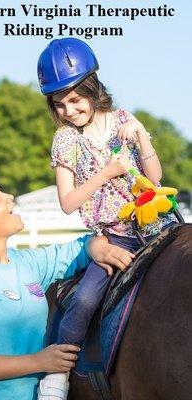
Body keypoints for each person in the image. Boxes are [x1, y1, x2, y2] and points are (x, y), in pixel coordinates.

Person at [37, 38, 175, 399]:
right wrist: (106, 173)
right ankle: (59, 375)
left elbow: (155, 177)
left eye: (75, 99)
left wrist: (143, 138)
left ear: (92, 89)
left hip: (153, 224)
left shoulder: (124, 120)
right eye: (59, 103)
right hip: (112, 236)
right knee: (83, 300)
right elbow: (68, 202)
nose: (68, 109)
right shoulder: (65, 140)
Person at [0, 179, 134, 400]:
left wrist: (96, 246)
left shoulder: (26, 263)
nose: (9, 196)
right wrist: (39, 362)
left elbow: (79, 249)